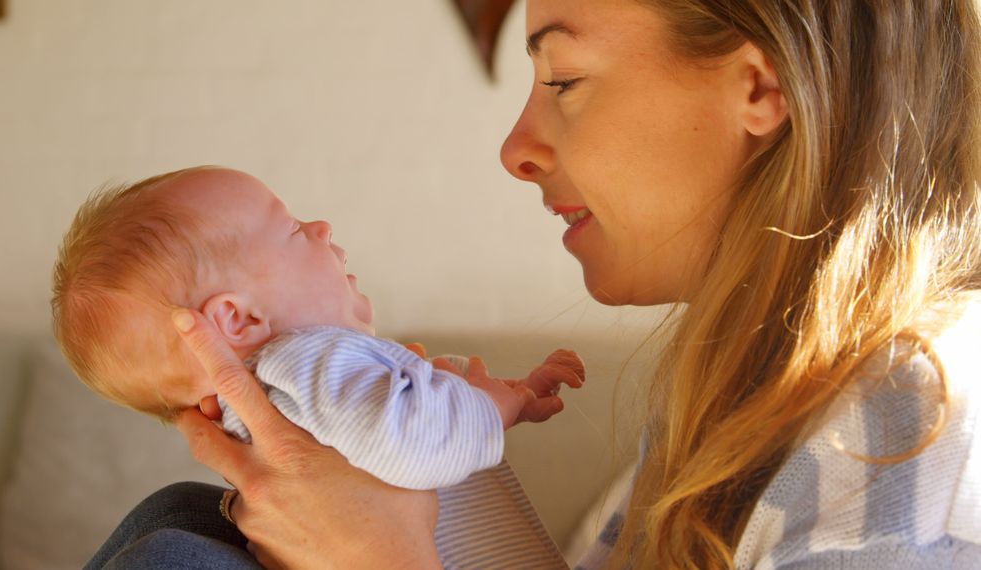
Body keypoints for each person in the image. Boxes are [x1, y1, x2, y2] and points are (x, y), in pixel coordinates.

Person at [90, 0, 981, 568]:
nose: (515, 147)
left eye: (564, 78)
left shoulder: (901, 427)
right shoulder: (734, 394)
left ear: (760, 86)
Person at [52, 166, 585, 491]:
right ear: (238, 319)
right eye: (289, 228)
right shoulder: (302, 362)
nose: (320, 227)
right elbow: (420, 443)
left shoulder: (299, 387)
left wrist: (478, 391)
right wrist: (498, 405)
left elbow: (401, 429)